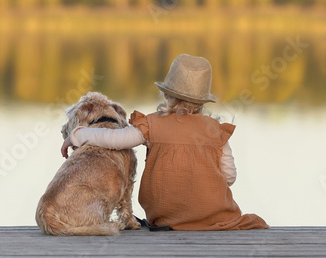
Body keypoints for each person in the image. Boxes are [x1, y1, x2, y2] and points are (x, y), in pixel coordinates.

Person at [61, 54, 269, 231]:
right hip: (215, 218)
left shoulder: (151, 125)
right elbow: (230, 177)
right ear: (202, 102)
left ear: (166, 93)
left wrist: (77, 135)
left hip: (166, 220)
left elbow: (115, 140)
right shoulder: (216, 131)